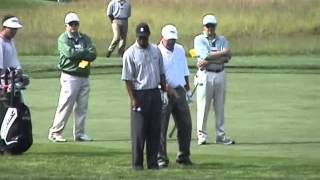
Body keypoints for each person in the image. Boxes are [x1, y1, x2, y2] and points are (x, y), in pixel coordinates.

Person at [121, 22, 167, 170]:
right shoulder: (130, 53)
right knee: (139, 132)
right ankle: (137, 164)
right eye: (140, 37)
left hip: (154, 92)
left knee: (154, 130)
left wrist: (164, 91)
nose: (142, 40)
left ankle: (153, 163)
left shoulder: (155, 51)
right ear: (136, 37)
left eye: (145, 37)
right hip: (139, 94)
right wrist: (133, 99)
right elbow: (128, 79)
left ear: (148, 36)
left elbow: (161, 73)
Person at [48, 12, 96, 142]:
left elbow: (93, 54)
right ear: (66, 26)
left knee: (82, 106)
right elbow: (69, 53)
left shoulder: (85, 38)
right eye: (71, 24)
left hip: (84, 76)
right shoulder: (63, 39)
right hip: (70, 76)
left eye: (75, 24)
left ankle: (79, 133)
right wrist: (83, 52)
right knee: (65, 105)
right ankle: (55, 132)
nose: (73, 26)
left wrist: (81, 53)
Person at [194, 14, 235, 145]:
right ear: (204, 27)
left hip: (220, 73)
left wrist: (210, 59)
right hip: (205, 75)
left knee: (219, 107)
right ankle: (202, 136)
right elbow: (205, 55)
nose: (210, 28)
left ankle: (221, 136)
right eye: (208, 26)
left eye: (212, 26)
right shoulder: (199, 39)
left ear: (215, 26)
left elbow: (227, 58)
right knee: (203, 106)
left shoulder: (222, 39)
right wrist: (222, 53)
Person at [157, 24, 193, 167]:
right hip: (163, 92)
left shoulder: (179, 49)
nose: (171, 42)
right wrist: (164, 89)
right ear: (162, 38)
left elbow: (184, 71)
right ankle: (161, 158)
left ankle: (183, 156)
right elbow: (156, 76)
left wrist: (188, 90)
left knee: (186, 125)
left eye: (173, 39)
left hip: (179, 91)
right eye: (169, 40)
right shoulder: (156, 52)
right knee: (161, 127)